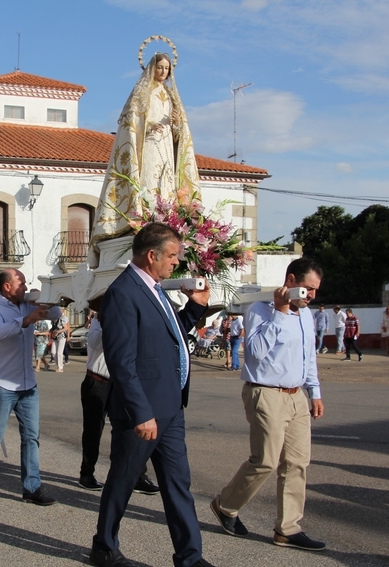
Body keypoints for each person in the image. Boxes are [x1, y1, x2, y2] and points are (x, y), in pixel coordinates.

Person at [90, 223, 212, 567]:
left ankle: (190, 557)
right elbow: (122, 361)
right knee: (123, 479)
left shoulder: (155, 289)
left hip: (170, 406)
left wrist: (195, 308)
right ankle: (104, 547)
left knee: (178, 483)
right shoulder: (123, 293)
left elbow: (168, 337)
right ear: (151, 255)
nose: (177, 262)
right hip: (141, 411)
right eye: (172, 255)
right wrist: (141, 413)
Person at [210, 257, 326, 552]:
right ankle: (226, 505)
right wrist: (281, 312)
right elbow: (256, 352)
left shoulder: (307, 315)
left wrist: (314, 392)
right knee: (265, 461)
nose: (311, 295)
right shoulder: (260, 309)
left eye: (315, 290)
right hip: (266, 393)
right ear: (291, 281)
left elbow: (308, 357)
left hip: (296, 395)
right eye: (307, 288)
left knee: (297, 463)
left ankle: (288, 529)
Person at [90, 51, 199, 264]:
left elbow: (180, 136)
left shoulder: (171, 96)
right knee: (148, 180)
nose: (163, 71)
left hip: (166, 148)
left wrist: (177, 124)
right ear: (151, 68)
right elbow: (131, 125)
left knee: (166, 184)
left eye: (167, 68)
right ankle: (145, 217)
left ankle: (165, 220)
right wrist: (147, 127)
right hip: (147, 146)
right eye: (160, 67)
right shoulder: (142, 93)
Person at [0, 268, 61, 505]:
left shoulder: (28, 304)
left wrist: (44, 299)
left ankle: (32, 487)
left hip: (27, 383)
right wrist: (27, 320)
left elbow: (57, 312)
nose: (25, 287)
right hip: (2, 384)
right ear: (7, 287)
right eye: (22, 284)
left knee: (31, 437)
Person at [78, 312, 160, 496]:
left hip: (122, 384)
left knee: (133, 428)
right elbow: (94, 343)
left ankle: (138, 476)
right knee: (93, 431)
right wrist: (110, 321)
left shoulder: (131, 318)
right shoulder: (99, 320)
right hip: (98, 382)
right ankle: (86, 474)